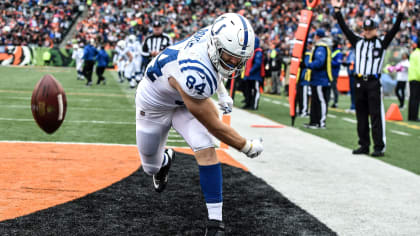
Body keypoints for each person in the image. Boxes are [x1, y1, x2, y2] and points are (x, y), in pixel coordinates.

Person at [135, 13, 263, 235]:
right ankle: (164, 160)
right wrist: (246, 147)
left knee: (205, 147)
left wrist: (221, 93)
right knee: (150, 167)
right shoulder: (196, 71)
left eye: (238, 59)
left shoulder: (213, 37)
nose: (234, 63)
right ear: (216, 45)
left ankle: (215, 222)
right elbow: (214, 125)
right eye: (229, 57)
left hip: (184, 96)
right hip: (155, 102)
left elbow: (215, 65)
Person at [332, 0, 407, 157]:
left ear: (375, 30)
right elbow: (345, 29)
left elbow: (393, 31)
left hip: (373, 82)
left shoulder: (381, 43)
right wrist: (338, 11)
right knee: (361, 115)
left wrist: (400, 14)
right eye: (365, 29)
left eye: (370, 29)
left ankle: (379, 146)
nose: (366, 32)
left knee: (375, 115)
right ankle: (364, 145)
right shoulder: (358, 42)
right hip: (359, 81)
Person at [304, 29, 332, 129]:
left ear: (317, 36)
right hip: (316, 78)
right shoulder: (320, 47)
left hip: (321, 78)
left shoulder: (321, 47)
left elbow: (320, 62)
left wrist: (309, 65)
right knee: (315, 101)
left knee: (320, 101)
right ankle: (314, 121)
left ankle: (321, 122)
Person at [243, 36, 265, 110]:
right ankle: (248, 103)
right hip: (249, 75)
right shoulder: (251, 51)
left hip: (255, 76)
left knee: (255, 90)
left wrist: (250, 71)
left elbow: (257, 64)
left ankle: (254, 106)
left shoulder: (258, 52)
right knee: (248, 90)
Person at [297, 38, 314, 117]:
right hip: (302, 78)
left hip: (305, 78)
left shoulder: (307, 54)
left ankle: (304, 111)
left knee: (304, 95)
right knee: (301, 95)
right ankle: (302, 110)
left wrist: (303, 77)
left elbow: (306, 66)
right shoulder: (305, 54)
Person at [408, 39, 420, 121]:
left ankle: (410, 116)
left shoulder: (414, 53)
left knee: (412, 98)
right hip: (417, 78)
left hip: (411, 77)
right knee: (416, 99)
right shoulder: (419, 54)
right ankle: (414, 117)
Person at [330, 38, 343, 108]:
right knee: (330, 87)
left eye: (333, 43)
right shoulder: (332, 51)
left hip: (334, 72)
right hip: (330, 72)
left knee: (334, 87)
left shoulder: (339, 53)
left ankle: (335, 102)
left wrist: (329, 61)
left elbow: (337, 63)